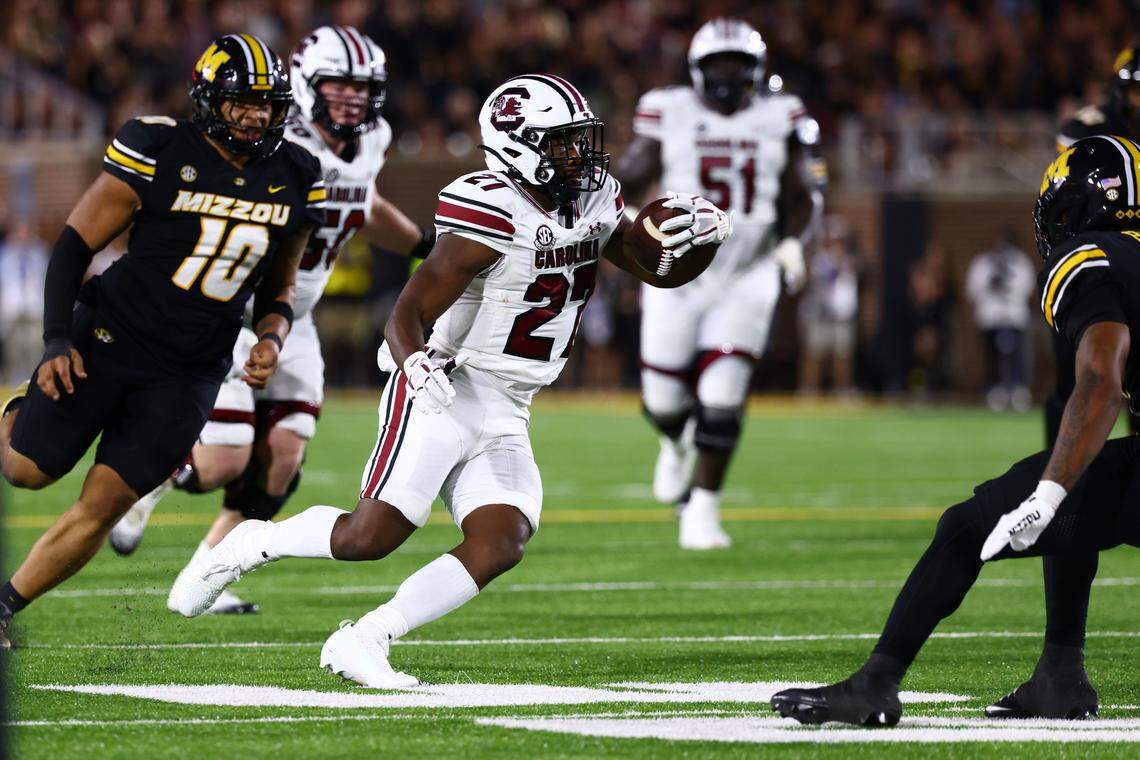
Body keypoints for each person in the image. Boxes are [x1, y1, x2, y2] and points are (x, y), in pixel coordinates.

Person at [167, 74, 731, 688]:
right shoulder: (491, 208)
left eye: (579, 140)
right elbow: (405, 314)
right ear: (520, 146)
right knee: (370, 537)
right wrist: (414, 366)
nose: (580, 155)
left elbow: (649, 266)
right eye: (562, 143)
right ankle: (254, 542)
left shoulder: (592, 200)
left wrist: (689, 241)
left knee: (501, 540)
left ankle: (364, 638)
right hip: (445, 383)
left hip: (510, 401)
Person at [771, 136, 1140, 726]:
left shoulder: (1091, 257)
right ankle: (1059, 675)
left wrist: (1047, 496)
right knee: (1080, 476)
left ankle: (875, 684)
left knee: (966, 527)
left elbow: (1100, 379)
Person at [0, 34, 323, 647]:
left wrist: (273, 338)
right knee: (25, 471)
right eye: (241, 103)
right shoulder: (159, 147)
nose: (256, 115)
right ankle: (17, 408)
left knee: (106, 503)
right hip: (110, 337)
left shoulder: (297, 174)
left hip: (191, 367)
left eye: (267, 104)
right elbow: (73, 245)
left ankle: (5, 605)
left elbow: (279, 288)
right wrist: (54, 341)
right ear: (207, 101)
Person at [107, 25, 434, 616]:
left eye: (364, 88)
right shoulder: (273, 136)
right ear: (306, 84)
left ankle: (205, 576)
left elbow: (363, 202)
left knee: (282, 460)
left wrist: (420, 246)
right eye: (339, 86)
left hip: (295, 318)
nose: (354, 100)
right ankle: (147, 479)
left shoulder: (373, 139)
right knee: (221, 463)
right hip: (235, 308)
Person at [616, 18, 823, 550]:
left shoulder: (782, 115)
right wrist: (625, 222)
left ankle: (702, 509)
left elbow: (805, 195)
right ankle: (677, 440)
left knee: (724, 394)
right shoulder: (669, 109)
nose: (728, 77)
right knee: (662, 400)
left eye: (738, 66)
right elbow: (631, 175)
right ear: (696, 71)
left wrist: (793, 243)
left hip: (748, 271)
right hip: (678, 272)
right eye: (717, 66)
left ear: (757, 71)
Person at [965, 230, 1036, 411]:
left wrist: (1006, 287)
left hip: (1014, 318)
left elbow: (1027, 288)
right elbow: (972, 289)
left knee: (1017, 357)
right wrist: (991, 287)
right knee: (992, 358)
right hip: (990, 319)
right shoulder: (982, 262)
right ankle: (994, 390)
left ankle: (1018, 389)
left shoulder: (1021, 262)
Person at [798, 217, 859, 397]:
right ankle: (809, 390)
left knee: (843, 354)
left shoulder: (850, 260)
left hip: (842, 313)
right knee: (814, 354)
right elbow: (819, 279)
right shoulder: (819, 260)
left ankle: (842, 390)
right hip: (819, 313)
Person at [0, 221, 50, 385]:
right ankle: (14, 384)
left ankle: (32, 382)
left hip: (34, 310)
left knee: (35, 348)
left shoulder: (39, 253)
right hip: (12, 311)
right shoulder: (6, 254)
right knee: (13, 352)